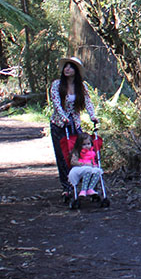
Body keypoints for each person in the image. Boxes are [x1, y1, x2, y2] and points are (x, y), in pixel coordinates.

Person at [49, 56, 98, 199]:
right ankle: (67, 187)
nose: (67, 69)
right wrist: (63, 117)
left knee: (80, 154)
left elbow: (88, 102)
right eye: (66, 66)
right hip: (59, 124)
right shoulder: (57, 84)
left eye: (70, 67)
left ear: (76, 70)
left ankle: (85, 185)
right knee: (63, 156)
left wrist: (93, 116)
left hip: (75, 125)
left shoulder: (81, 87)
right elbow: (56, 103)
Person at [68, 133, 103, 197]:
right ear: (79, 145)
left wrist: (94, 165)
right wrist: (83, 164)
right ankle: (83, 190)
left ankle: (90, 188)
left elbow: (92, 162)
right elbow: (73, 162)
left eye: (88, 144)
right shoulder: (77, 152)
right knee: (88, 170)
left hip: (89, 167)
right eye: (84, 144)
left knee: (98, 171)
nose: (87, 146)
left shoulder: (92, 152)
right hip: (79, 168)